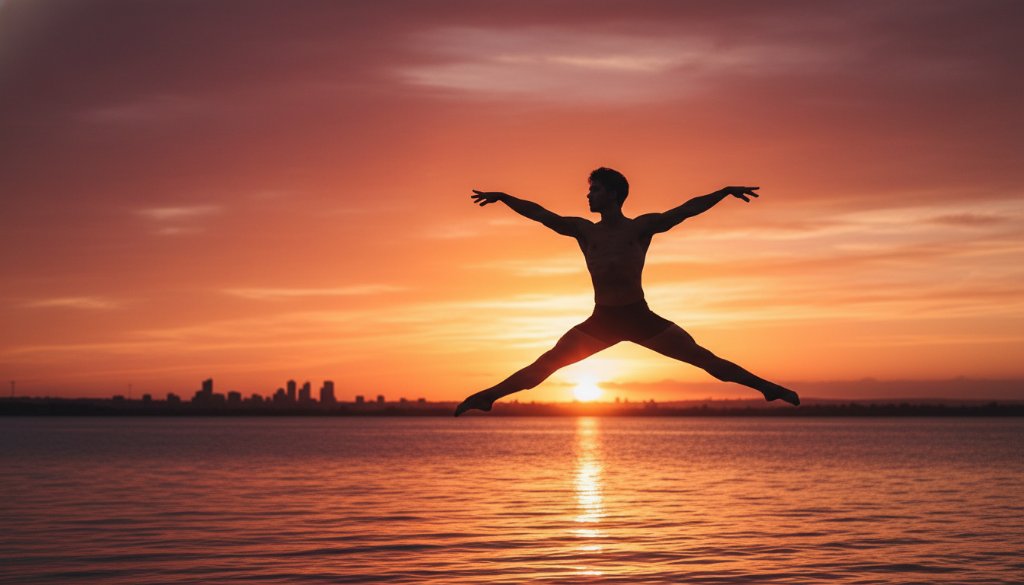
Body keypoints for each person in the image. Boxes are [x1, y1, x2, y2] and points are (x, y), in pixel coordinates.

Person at [454, 167, 799, 416]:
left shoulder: (640, 227)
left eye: (595, 190)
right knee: (544, 366)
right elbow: (541, 214)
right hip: (602, 320)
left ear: (613, 194)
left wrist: (722, 192)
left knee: (707, 361)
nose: (588, 195)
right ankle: (488, 396)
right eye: (589, 191)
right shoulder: (584, 231)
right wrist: (504, 198)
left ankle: (768, 388)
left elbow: (684, 211)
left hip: (639, 316)